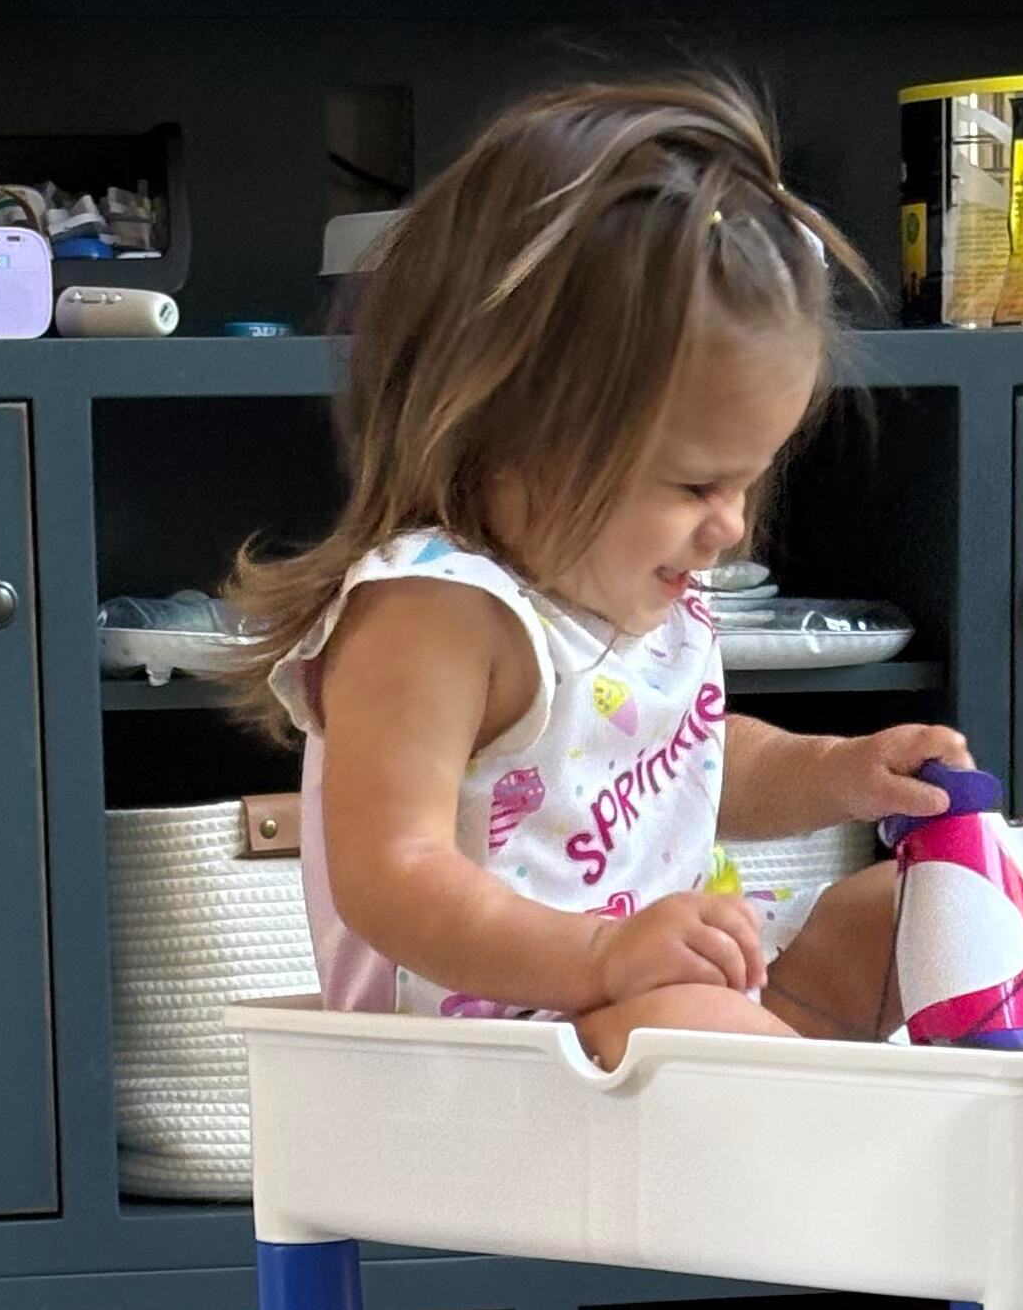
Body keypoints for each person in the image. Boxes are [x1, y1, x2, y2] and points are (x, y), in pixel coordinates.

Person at [223, 78, 970, 1073]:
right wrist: (601, 955)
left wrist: (837, 773)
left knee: (914, 911)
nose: (731, 528)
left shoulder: (634, 583)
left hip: (654, 1016)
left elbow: (700, 763)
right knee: (718, 1045)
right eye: (697, 482)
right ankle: (921, 1167)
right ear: (516, 426)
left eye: (749, 481)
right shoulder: (437, 612)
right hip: (486, 1058)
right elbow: (389, 875)